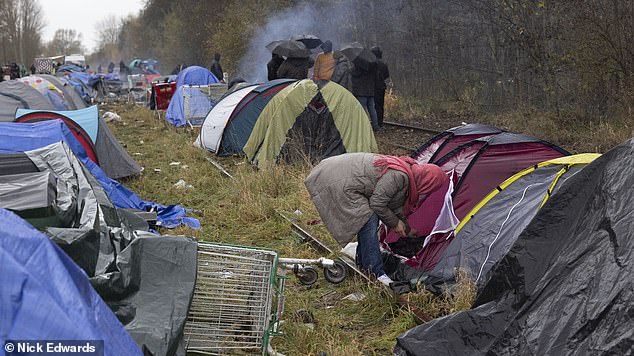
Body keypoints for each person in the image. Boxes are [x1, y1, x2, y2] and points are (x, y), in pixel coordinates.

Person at [304, 153, 447, 286]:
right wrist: (396, 223)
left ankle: (364, 264)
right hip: (335, 180)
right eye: (432, 188)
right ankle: (376, 273)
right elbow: (378, 204)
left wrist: (407, 228)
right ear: (429, 182)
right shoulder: (400, 176)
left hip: (336, 173)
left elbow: (393, 204)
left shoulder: (408, 174)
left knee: (367, 218)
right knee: (368, 218)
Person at [350, 60, 379, 131]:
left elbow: (354, 74)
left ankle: (364, 126)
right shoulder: (373, 67)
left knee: (362, 110)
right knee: (372, 109)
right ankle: (375, 126)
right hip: (371, 91)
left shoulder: (359, 69)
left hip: (362, 92)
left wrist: (351, 69)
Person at [371, 46, 390, 128]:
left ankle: (377, 123)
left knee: (375, 106)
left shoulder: (371, 64)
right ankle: (380, 122)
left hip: (374, 87)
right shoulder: (383, 64)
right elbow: (387, 75)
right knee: (380, 105)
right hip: (382, 87)